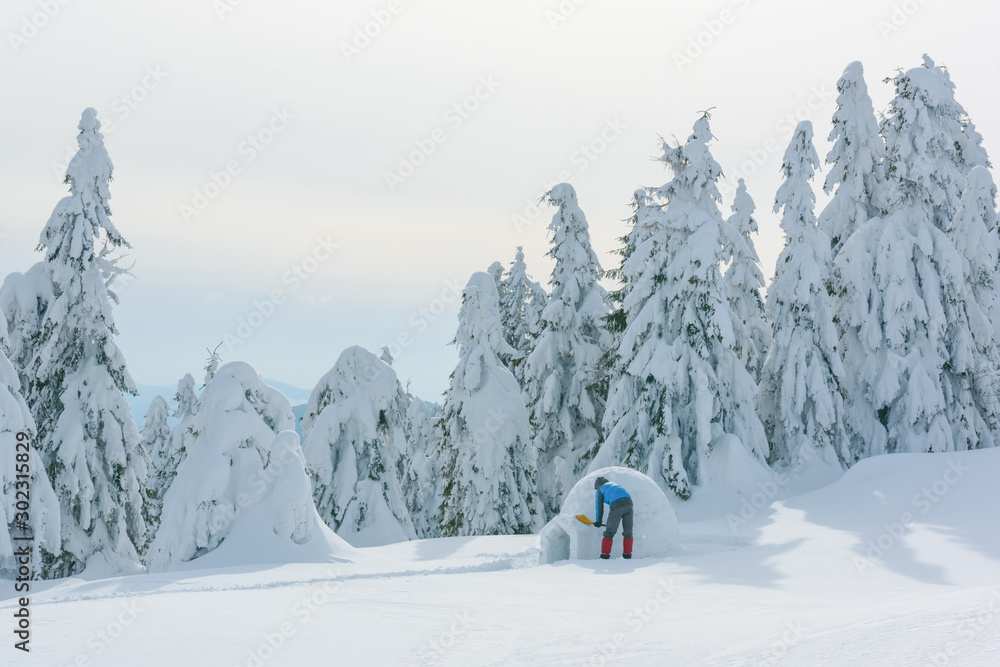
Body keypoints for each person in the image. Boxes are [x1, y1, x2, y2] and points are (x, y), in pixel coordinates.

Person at [592, 476, 633, 559]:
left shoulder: (600, 490)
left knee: (609, 532)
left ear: (597, 486)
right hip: (629, 504)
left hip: (617, 505)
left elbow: (599, 507)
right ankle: (627, 554)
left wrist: (598, 521)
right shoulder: (614, 484)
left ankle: (605, 554)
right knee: (628, 532)